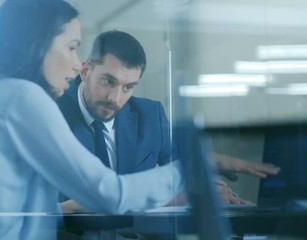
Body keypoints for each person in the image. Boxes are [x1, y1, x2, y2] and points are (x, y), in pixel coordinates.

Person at [0, 1, 184, 239]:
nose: (77, 63)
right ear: (38, 43)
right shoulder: (22, 98)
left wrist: (67, 207)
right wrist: (189, 171)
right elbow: (111, 194)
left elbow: (16, 210)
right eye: (71, 47)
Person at [57, 30, 281, 212]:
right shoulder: (49, 114)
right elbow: (59, 204)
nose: (115, 98)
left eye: (128, 87)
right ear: (85, 71)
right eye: (108, 81)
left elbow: (184, 170)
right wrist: (169, 197)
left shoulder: (149, 114)